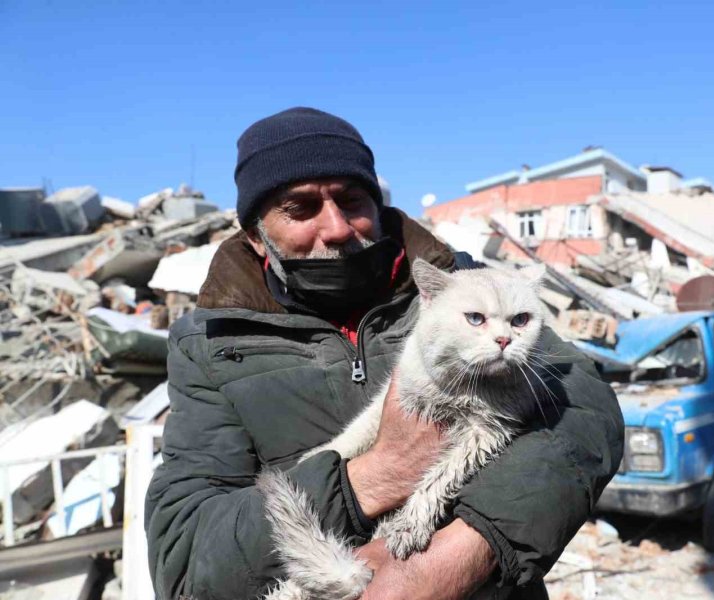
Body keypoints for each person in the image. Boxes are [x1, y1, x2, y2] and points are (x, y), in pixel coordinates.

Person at [144, 107, 624, 600]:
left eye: (352, 200)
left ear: (377, 204)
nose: (336, 227)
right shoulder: (209, 343)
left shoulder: (467, 289)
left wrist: (463, 552)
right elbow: (185, 556)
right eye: (300, 208)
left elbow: (587, 408)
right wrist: (373, 477)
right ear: (255, 235)